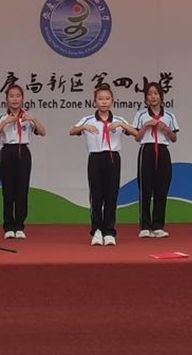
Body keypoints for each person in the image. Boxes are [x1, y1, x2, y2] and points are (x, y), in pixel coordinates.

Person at [70, 85, 140, 246]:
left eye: (107, 99)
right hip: (95, 158)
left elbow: (137, 134)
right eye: (100, 99)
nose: (104, 102)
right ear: (95, 101)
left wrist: (122, 126)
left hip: (113, 158)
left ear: (112, 101)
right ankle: (96, 230)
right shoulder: (88, 119)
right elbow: (72, 131)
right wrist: (83, 127)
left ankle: (109, 231)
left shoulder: (118, 119)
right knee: (96, 195)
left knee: (111, 195)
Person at [0, 83, 45, 240]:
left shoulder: (27, 117)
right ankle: (8, 226)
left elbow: (43, 132)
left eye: (18, 96)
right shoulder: (1, 118)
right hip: (7, 152)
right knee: (8, 191)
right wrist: (6, 122)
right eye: (11, 96)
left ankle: (19, 226)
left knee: (22, 191)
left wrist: (34, 119)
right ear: (6, 99)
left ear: (23, 99)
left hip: (23, 152)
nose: (15, 99)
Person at [133, 81, 179, 238]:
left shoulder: (169, 116)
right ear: (146, 97)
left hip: (163, 151)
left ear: (161, 95)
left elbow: (174, 138)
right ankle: (145, 226)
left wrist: (166, 129)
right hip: (146, 150)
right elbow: (137, 137)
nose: (153, 97)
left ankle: (158, 225)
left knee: (162, 189)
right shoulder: (141, 115)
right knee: (145, 189)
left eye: (155, 93)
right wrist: (146, 126)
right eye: (149, 94)